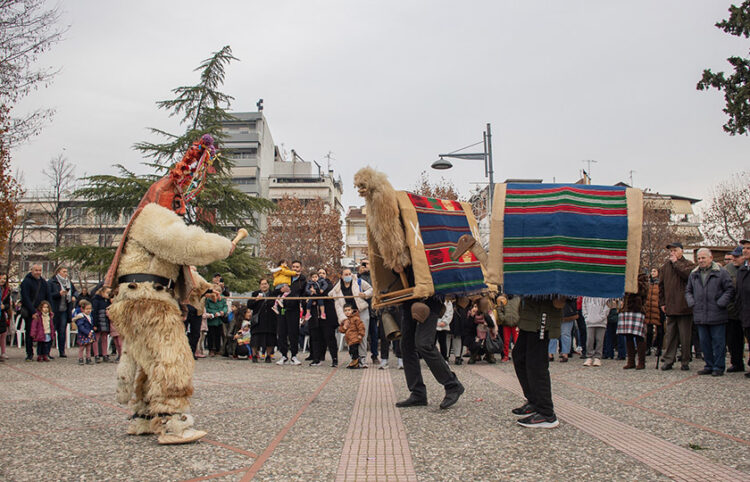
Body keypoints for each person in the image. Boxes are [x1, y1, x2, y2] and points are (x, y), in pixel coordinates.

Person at [396, 297, 465, 410]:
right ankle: (418, 393)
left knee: (424, 343)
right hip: (408, 300)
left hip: (431, 299)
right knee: (406, 346)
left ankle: (452, 385)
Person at [512, 297, 562, 428]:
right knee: (519, 357)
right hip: (529, 312)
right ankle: (534, 401)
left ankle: (546, 413)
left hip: (543, 314)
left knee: (537, 363)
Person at [685, 248, 734, 376]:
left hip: (717, 313)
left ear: (710, 258)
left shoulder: (721, 272)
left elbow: (729, 290)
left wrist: (721, 303)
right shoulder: (693, 274)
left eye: (703, 258)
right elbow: (688, 291)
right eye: (699, 258)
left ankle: (718, 366)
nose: (701, 261)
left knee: (718, 342)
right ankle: (709, 365)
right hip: (700, 313)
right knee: (704, 342)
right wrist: (692, 302)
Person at [659, 241, 696, 371]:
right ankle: (669, 359)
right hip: (670, 306)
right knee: (670, 335)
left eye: (675, 250)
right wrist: (662, 302)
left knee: (685, 336)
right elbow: (661, 286)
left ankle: (685, 360)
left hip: (684, 306)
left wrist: (676, 263)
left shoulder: (689, 265)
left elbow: (687, 276)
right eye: (671, 251)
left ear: (681, 251)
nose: (672, 253)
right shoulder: (665, 267)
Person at [331, 267, 372, 366]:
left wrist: (365, 294)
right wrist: (343, 319)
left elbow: (371, 289)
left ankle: (362, 358)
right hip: (348, 314)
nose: (348, 276)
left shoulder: (358, 281)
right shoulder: (337, 289)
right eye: (346, 274)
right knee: (350, 335)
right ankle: (354, 358)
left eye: (349, 274)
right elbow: (338, 306)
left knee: (362, 334)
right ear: (341, 276)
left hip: (361, 311)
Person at [617, 273, 650, 370]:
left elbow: (644, 291)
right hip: (626, 309)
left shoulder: (642, 276)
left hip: (637, 309)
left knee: (639, 336)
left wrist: (633, 281)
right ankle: (631, 361)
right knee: (628, 336)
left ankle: (641, 362)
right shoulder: (625, 274)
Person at [276, 260, 306, 366]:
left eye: (297, 267)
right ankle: (284, 355)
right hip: (283, 308)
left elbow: (303, 294)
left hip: (294, 309)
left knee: (294, 333)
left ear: (301, 268)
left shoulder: (303, 280)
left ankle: (294, 356)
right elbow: (275, 290)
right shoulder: (285, 276)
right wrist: (281, 291)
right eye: (293, 267)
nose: (295, 268)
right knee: (282, 332)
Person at [20, 264, 51, 361]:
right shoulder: (26, 282)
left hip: (42, 311)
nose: (38, 272)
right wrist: (33, 311)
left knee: (43, 332)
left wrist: (49, 310)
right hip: (30, 311)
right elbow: (25, 298)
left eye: (40, 270)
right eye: (36, 270)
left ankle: (43, 353)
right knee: (30, 332)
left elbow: (48, 296)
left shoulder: (43, 282)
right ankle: (29, 353)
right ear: (31, 270)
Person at [47, 266, 77, 359]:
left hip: (64, 310)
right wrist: (58, 294)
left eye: (66, 271)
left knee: (62, 331)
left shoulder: (68, 282)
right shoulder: (52, 282)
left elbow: (75, 291)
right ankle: (47, 351)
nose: (66, 273)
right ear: (58, 272)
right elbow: (48, 295)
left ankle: (62, 351)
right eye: (64, 271)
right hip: (54, 309)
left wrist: (73, 296)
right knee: (52, 330)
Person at [724, 245, 746, 373]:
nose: (734, 259)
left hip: (746, 309)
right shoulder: (727, 270)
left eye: (737, 257)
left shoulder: (746, 269)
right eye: (733, 256)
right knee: (733, 340)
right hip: (732, 311)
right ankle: (736, 363)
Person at [248, 278, 277, 363]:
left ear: (268, 285)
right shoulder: (255, 293)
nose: (264, 285)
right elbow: (249, 305)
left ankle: (268, 356)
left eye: (265, 284)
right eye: (262, 284)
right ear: (260, 285)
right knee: (255, 338)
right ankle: (254, 355)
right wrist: (256, 300)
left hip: (270, 319)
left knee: (270, 338)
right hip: (258, 320)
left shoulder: (272, 294)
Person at [358, 259, 380, 365]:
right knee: (362, 334)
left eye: (367, 263)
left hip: (372, 309)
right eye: (363, 264)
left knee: (374, 334)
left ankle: (375, 355)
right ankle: (361, 356)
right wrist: (359, 273)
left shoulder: (374, 277)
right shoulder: (358, 277)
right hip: (361, 309)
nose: (365, 265)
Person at [735, 239, 750, 378]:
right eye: (744, 248)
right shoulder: (742, 269)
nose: (745, 250)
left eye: (748, 248)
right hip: (745, 312)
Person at [582, 296, 609, 367]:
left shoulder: (605, 295)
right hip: (590, 321)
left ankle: (598, 357)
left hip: (601, 322)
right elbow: (584, 306)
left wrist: (601, 317)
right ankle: (589, 357)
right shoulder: (586, 296)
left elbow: (607, 307)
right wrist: (586, 316)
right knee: (589, 340)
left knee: (599, 340)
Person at [549, 297, 576, 363]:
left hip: (567, 312)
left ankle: (565, 354)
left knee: (565, 334)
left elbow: (573, 297)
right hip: (554, 310)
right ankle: (550, 353)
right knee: (552, 334)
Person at [339, 303, 366, 369]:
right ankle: (355, 363)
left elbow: (361, 327)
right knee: (351, 351)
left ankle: (355, 362)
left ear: (352, 310)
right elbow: (341, 330)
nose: (347, 312)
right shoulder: (345, 320)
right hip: (349, 339)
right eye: (345, 310)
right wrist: (344, 327)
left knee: (354, 351)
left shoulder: (356, 318)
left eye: (349, 310)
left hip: (355, 338)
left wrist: (360, 334)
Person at [644, 268, 663, 355]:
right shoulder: (648, 284)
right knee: (649, 331)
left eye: (654, 271)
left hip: (658, 309)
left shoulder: (661, 283)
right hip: (649, 309)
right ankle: (648, 348)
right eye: (651, 271)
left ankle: (659, 348)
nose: (652, 273)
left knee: (660, 330)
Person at [204, 286, 227, 357]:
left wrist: (223, 311)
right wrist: (214, 313)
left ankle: (218, 349)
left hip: (219, 320)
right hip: (211, 319)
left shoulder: (222, 298)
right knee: (210, 335)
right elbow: (206, 308)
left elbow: (225, 306)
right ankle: (211, 349)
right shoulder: (208, 298)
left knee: (218, 335)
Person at [497, 294, 520, 362]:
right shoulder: (502, 298)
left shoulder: (518, 299)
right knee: (506, 341)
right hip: (506, 324)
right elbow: (499, 309)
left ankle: (517, 356)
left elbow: (521, 309)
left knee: (517, 341)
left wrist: (518, 319)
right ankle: (505, 355)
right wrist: (503, 318)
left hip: (515, 323)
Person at [92, 287, 112, 363]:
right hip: (98, 321)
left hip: (105, 321)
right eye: (107, 293)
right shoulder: (96, 300)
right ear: (102, 292)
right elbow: (94, 313)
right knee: (96, 339)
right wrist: (95, 324)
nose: (109, 295)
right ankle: (96, 355)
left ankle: (105, 354)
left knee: (104, 338)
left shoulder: (108, 301)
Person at [73, 300, 95, 365]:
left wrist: (91, 331)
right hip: (83, 334)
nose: (89, 310)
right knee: (81, 348)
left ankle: (88, 358)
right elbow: (81, 327)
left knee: (89, 347)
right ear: (83, 309)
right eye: (87, 309)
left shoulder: (90, 316)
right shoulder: (81, 317)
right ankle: (80, 358)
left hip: (89, 334)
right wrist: (87, 332)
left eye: (90, 309)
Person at [0, 274, 12, 361]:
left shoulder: (7, 290)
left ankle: (3, 352)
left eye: (4, 279)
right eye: (1, 278)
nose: (3, 280)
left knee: (3, 333)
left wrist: (5, 306)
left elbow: (8, 304)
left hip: (2, 313)